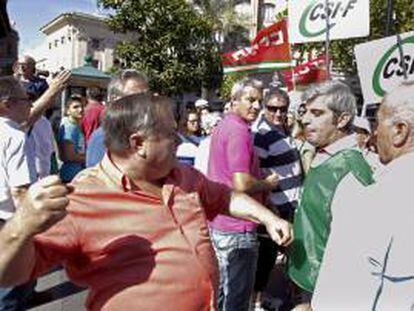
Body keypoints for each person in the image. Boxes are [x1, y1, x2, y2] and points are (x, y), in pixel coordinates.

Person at [0, 92, 292, 311]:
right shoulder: (82, 199)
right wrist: (21, 226)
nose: (179, 140)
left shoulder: (183, 175)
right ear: (138, 144)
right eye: (170, 133)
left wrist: (268, 217)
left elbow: (226, 196)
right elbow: (9, 274)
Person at [312, 81, 414, 310]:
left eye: (377, 122)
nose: (374, 133)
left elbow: (336, 303)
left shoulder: (370, 201)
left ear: (400, 130)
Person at [287, 80, 375, 310]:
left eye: (317, 113)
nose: (305, 119)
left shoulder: (350, 169)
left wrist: (319, 302)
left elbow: (351, 250)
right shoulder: (324, 156)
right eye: (305, 112)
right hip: (308, 281)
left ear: (343, 119)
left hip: (326, 291)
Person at [207, 78, 281, 311]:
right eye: (251, 99)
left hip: (220, 221)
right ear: (234, 100)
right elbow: (240, 182)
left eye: (259, 100)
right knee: (237, 300)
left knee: (221, 293)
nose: (256, 106)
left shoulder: (225, 126)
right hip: (237, 227)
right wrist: (267, 184)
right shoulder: (238, 131)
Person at [0, 72, 69, 310]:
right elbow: (20, 190)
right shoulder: (16, 136)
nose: (30, 104)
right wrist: (31, 224)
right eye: (25, 99)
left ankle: (28, 296)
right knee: (12, 281)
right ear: (7, 105)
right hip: (12, 215)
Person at [252, 88, 303, 310]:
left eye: (283, 109)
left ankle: (288, 298)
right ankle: (256, 303)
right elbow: (256, 171)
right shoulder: (262, 135)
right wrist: (267, 202)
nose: (278, 113)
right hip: (275, 208)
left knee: (286, 256)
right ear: (265, 107)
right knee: (267, 258)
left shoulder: (282, 130)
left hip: (290, 205)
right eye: (273, 108)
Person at [85, 69, 149, 168]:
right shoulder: (103, 138)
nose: (144, 102)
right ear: (115, 99)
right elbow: (97, 180)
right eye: (136, 97)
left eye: (146, 96)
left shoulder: (149, 134)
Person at [58, 95, 85, 182]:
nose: (80, 110)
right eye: (75, 107)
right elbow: (69, 156)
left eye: (82, 107)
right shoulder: (69, 128)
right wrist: (90, 158)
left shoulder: (75, 126)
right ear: (68, 111)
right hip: (71, 174)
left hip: (77, 173)